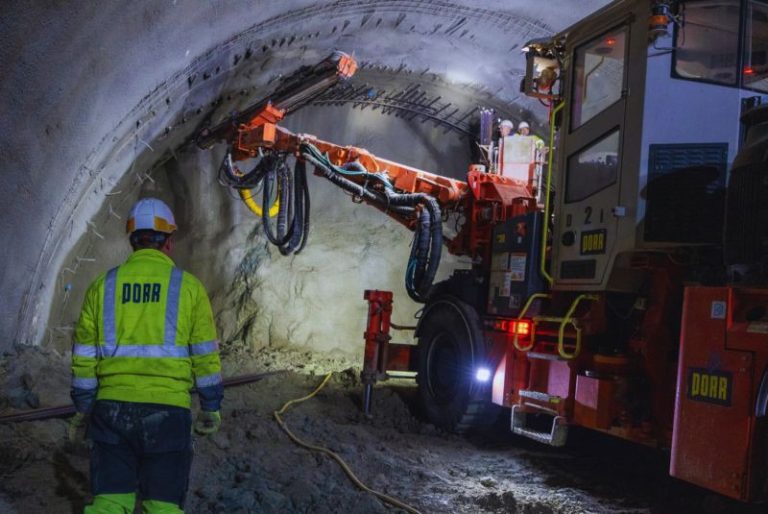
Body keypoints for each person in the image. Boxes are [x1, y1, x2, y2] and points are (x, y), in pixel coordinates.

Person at [68, 197, 223, 514]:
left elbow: (84, 358)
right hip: (168, 414)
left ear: (133, 241)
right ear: (168, 242)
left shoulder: (102, 287)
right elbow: (206, 358)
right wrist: (211, 406)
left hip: (111, 412)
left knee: (109, 502)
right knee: (163, 506)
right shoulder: (189, 288)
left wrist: (85, 409)